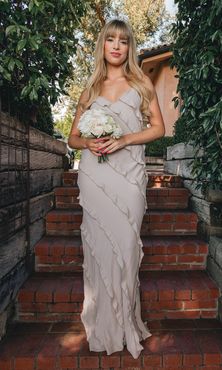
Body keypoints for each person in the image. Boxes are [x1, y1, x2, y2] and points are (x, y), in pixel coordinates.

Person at [68, 18, 165, 359]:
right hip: (95, 176)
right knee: (99, 251)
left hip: (129, 177)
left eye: (123, 41)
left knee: (124, 248)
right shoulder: (90, 89)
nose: (116, 46)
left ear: (129, 48)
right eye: (110, 40)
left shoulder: (141, 85)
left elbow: (158, 128)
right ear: (103, 45)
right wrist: (88, 145)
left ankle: (127, 323)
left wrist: (124, 139)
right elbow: (72, 138)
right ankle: (105, 328)